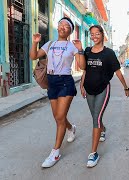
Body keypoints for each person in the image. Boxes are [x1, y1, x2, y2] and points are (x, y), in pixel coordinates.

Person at [30, 17, 86, 168]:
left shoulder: (72, 46)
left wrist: (80, 49)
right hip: (52, 83)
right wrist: (35, 42)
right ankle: (71, 128)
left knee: (60, 116)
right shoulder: (50, 44)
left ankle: (55, 152)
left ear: (70, 31)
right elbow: (33, 56)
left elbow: (81, 66)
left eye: (66, 26)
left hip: (65, 82)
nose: (62, 27)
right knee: (58, 117)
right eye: (60, 24)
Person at [80, 25, 129, 168]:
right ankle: (103, 129)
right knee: (95, 116)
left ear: (102, 35)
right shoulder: (88, 51)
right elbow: (84, 70)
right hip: (89, 89)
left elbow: (118, 72)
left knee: (96, 118)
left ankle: (93, 153)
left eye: (97, 33)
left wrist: (125, 87)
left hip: (103, 89)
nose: (94, 36)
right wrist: (82, 85)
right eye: (92, 34)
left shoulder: (109, 53)